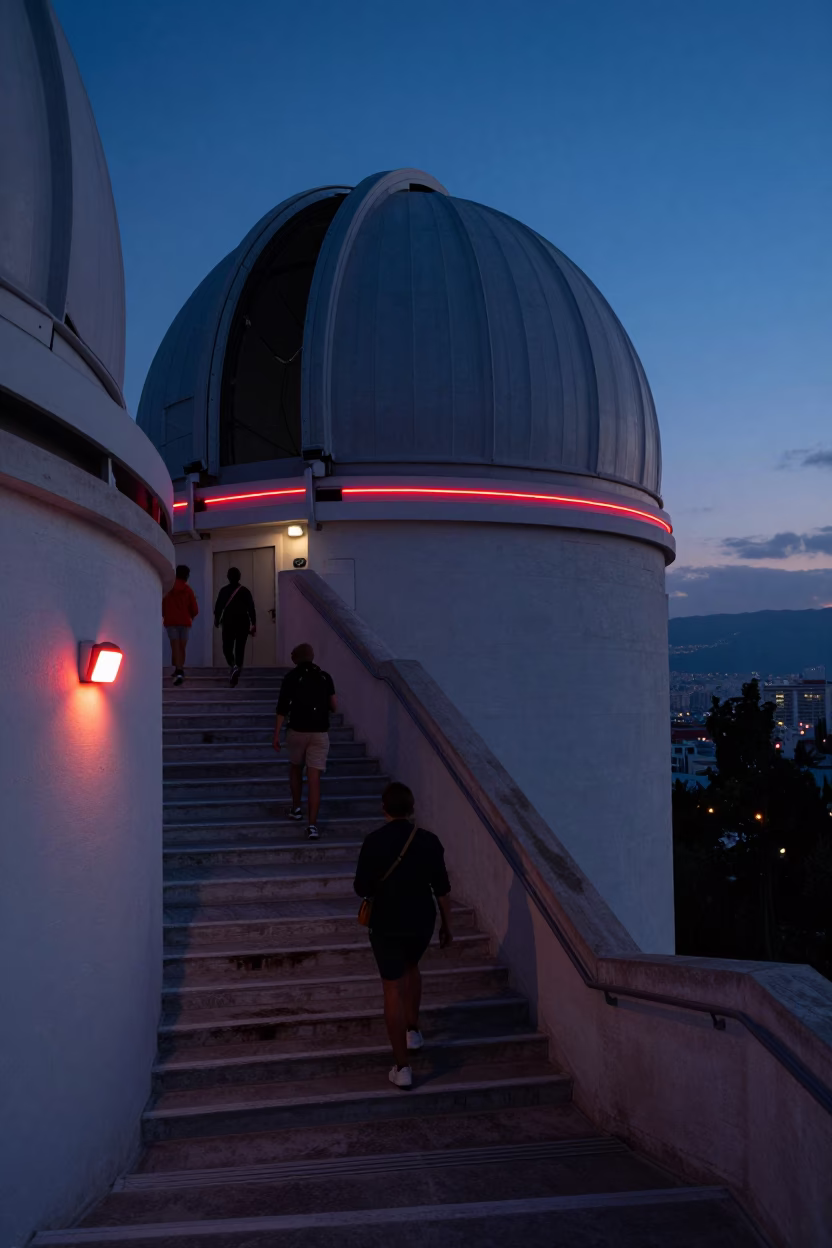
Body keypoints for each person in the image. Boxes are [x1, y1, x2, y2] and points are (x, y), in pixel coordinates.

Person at [353, 782, 453, 1090]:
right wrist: (448, 925)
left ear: (384, 808)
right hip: (421, 920)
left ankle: (402, 1067)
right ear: (411, 808)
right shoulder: (429, 841)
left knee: (391, 989)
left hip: (386, 922)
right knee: (412, 966)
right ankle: (413, 1030)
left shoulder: (373, 841)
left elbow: (361, 887)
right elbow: (443, 888)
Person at [273, 643, 336, 840]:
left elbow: (282, 709)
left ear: (295, 658)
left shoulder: (291, 678)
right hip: (319, 733)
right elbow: (334, 705)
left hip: (297, 731)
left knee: (295, 768)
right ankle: (312, 826)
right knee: (314, 779)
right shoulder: (325, 677)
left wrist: (276, 735)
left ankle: (296, 808)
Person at [213, 567, 256, 687]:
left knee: (227, 647)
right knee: (240, 648)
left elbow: (218, 607)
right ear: (239, 577)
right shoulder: (245, 591)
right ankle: (237, 670)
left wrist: (216, 620)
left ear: (228, 577)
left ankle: (233, 666)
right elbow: (251, 608)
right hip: (243, 622)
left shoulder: (224, 590)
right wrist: (254, 623)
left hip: (228, 622)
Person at [162, 565, 199, 686]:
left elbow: (163, 605)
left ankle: (178, 669)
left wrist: (165, 615)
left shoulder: (168, 589)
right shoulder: (188, 590)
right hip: (184, 622)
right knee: (181, 647)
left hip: (171, 621)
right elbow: (194, 609)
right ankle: (179, 669)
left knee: (175, 645)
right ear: (186, 575)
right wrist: (191, 615)